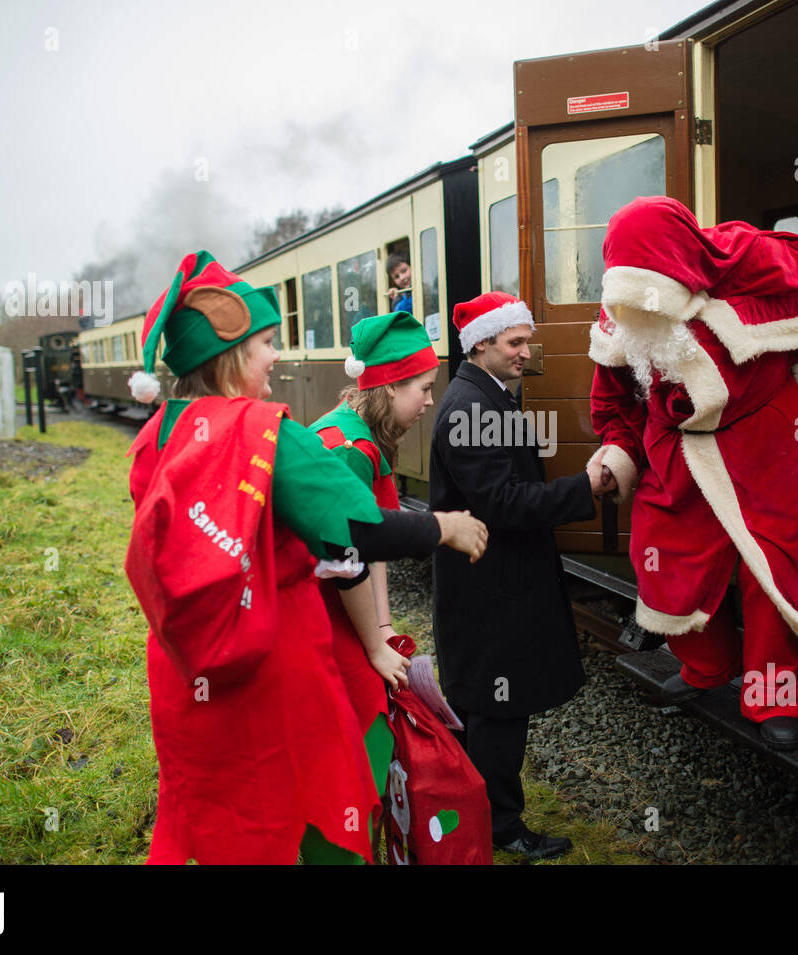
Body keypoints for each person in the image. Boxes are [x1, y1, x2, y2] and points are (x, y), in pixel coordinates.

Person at [123, 251, 487, 865]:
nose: (275, 357)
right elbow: (355, 529)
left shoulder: (158, 430)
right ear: (232, 355)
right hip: (273, 654)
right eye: (266, 343)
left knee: (218, 808)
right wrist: (443, 526)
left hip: (187, 665)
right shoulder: (265, 430)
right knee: (303, 807)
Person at [587, 196, 798, 751]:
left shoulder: (748, 271)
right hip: (676, 452)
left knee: (770, 570)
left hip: (770, 445)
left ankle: (772, 695)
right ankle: (710, 665)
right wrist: (616, 451)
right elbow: (614, 403)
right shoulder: (619, 323)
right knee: (660, 559)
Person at [430, 290, 614, 860]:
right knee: (496, 711)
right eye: (515, 341)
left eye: (526, 340)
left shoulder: (484, 396)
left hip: (492, 581)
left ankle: (484, 813)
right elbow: (503, 503)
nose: (525, 351)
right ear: (482, 342)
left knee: (492, 708)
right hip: (489, 588)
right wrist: (585, 490)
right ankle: (500, 828)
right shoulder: (470, 408)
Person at [307, 310, 439, 832]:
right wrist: (372, 644)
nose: (430, 402)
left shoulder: (360, 434)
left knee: (367, 699)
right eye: (423, 389)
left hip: (337, 599)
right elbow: (344, 559)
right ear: (388, 385)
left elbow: (373, 540)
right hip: (321, 605)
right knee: (364, 711)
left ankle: (358, 818)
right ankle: (349, 823)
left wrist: (382, 630)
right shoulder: (354, 451)